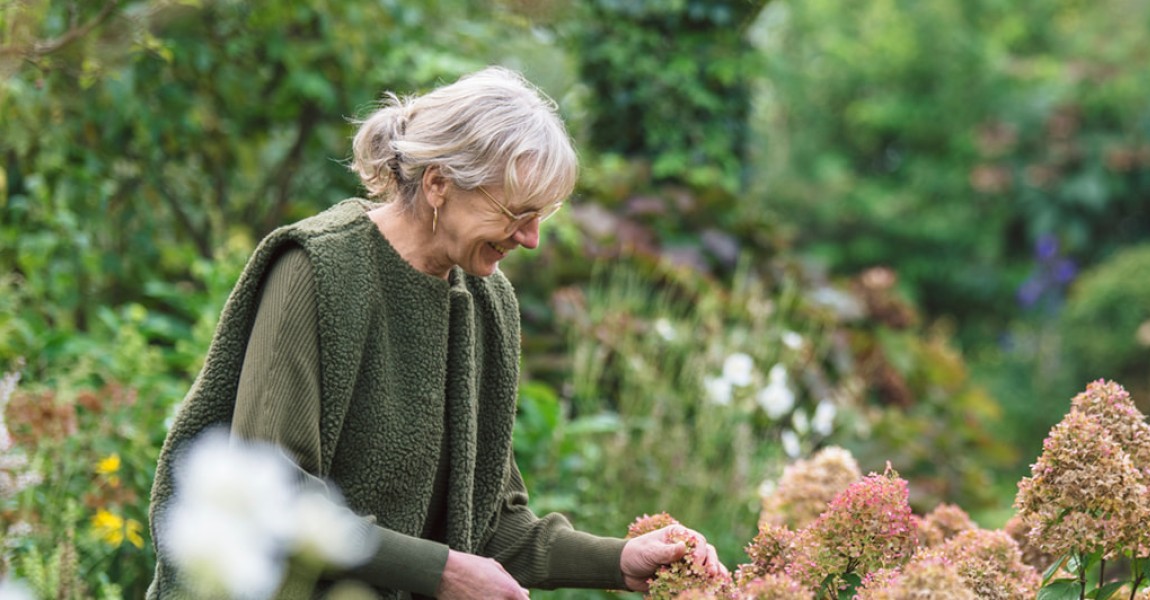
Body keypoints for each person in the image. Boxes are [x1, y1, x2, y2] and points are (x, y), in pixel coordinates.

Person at [145, 66, 727, 599]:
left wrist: (620, 561)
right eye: (517, 213)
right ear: (440, 184)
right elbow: (269, 495)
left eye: (540, 219)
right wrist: (440, 570)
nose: (531, 239)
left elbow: (489, 523)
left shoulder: (486, 301)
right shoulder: (318, 271)